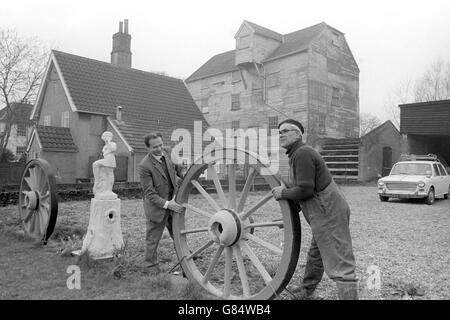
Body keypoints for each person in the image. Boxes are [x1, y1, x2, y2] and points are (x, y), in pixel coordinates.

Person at [271, 119, 358, 300]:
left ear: (298, 134)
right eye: (279, 132)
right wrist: (289, 216)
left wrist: (283, 192)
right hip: (324, 211)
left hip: (328, 211)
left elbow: (305, 190)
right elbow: (304, 192)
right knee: (315, 253)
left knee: (340, 259)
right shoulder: (297, 155)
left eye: (286, 131)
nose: (281, 134)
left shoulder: (302, 153)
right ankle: (307, 290)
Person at [138, 132, 185, 274]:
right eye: (154, 147)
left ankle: (186, 263)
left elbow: (179, 169)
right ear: (148, 148)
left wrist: (187, 174)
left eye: (160, 145)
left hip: (173, 203)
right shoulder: (144, 166)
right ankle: (150, 268)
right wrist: (167, 204)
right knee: (152, 240)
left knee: (179, 235)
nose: (159, 149)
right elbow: (150, 193)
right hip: (157, 208)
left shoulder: (169, 152)